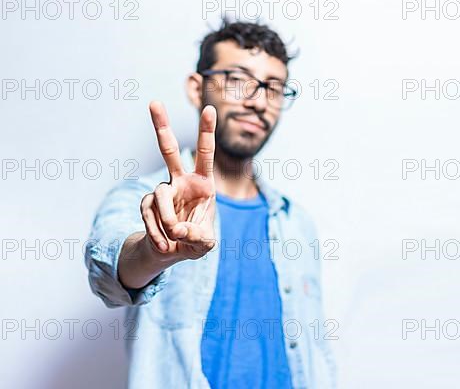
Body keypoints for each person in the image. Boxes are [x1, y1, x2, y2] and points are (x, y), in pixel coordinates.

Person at [84, 20, 336, 388]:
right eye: (237, 79)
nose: (257, 100)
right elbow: (109, 274)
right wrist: (156, 252)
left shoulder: (296, 222)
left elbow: (316, 350)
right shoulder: (146, 198)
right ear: (196, 88)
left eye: (274, 88)